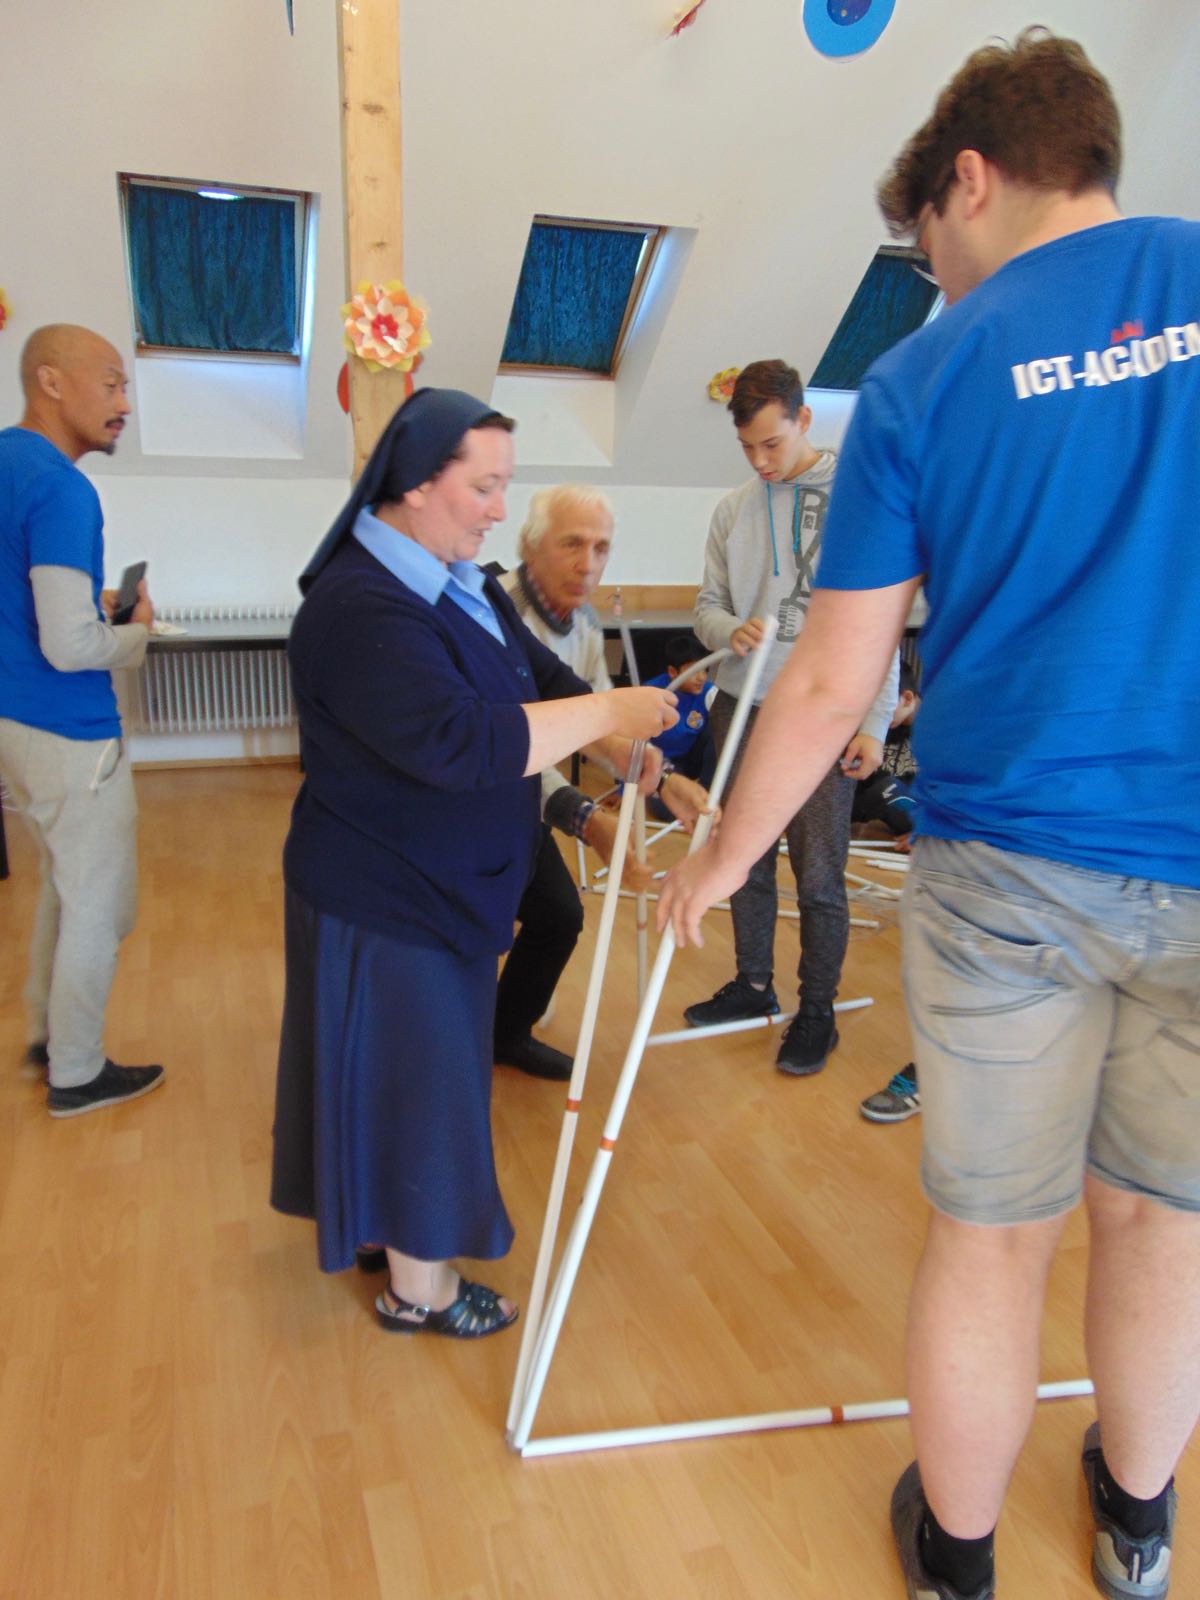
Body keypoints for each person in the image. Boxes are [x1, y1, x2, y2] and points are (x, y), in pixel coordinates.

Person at [660, 29, 1200, 1600]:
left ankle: (958, 1562)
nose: (934, 280)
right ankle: (1139, 1529)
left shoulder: (922, 378)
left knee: (992, 1236)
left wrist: (721, 857)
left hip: (1009, 861)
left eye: (925, 246)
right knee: (1163, 1224)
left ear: (971, 177)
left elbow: (836, 678)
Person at [270, 390, 678, 1339]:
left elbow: (536, 677)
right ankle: (421, 1290)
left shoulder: (458, 580)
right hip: (385, 891)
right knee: (420, 1089)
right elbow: (462, 740)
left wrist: (627, 752)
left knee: (392, 1076)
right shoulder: (358, 605)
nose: (499, 509)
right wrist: (611, 711)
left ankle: (382, 1227)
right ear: (417, 482)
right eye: (484, 487)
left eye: (504, 486)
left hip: (433, 881)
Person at [687, 359, 899, 1076]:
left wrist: (873, 722)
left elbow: (879, 623)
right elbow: (706, 607)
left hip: (822, 717)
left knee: (818, 875)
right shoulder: (733, 510)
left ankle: (816, 1011)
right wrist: (729, 631)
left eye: (772, 443)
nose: (760, 461)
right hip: (739, 705)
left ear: (804, 419)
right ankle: (753, 986)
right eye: (747, 447)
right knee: (741, 857)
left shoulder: (858, 498)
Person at [0, 324, 164, 1117]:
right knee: (101, 905)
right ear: (51, 381)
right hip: (67, 727)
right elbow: (69, 648)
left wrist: (88, 603)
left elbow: (23, 595)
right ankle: (75, 1072)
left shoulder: (6, 462)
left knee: (65, 889)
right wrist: (137, 634)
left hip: (13, 719)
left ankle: (46, 1035)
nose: (123, 402)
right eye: (111, 382)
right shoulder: (63, 488)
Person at [494, 485, 712, 1081]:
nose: (587, 564)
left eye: (600, 548)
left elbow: (600, 721)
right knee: (477, 933)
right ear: (531, 547)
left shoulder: (584, 624)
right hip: (470, 805)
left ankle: (504, 1035)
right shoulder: (497, 617)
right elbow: (509, 747)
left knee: (558, 916)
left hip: (524, 806)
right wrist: (586, 819)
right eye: (571, 544)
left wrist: (664, 778)